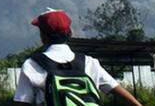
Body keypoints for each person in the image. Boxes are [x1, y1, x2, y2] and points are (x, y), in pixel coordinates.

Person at [15, 9, 144, 106]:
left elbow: (22, 102)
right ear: (69, 33)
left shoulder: (32, 64)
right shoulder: (89, 62)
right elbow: (119, 93)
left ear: (43, 36)